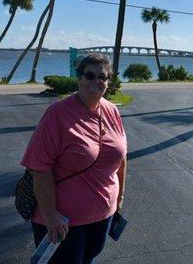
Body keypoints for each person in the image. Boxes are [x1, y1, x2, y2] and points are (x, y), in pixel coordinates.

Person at [21, 53, 127, 263]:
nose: (97, 81)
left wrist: (120, 198)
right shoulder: (57, 114)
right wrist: (50, 216)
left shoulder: (112, 110)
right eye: (90, 75)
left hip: (103, 215)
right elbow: (40, 168)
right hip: (62, 221)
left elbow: (122, 157)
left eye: (103, 77)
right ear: (78, 78)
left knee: (89, 258)